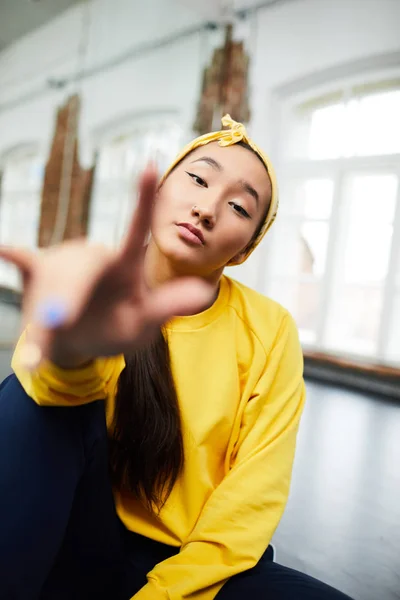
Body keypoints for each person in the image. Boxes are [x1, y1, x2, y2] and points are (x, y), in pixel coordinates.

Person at [0, 115, 352, 600]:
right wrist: (71, 352)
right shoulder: (94, 283)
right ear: (161, 188)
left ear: (245, 249)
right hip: (79, 535)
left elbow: (250, 501)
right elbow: (42, 405)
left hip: (197, 564)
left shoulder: (269, 331)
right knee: (29, 396)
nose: (206, 208)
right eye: (198, 179)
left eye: (237, 207)